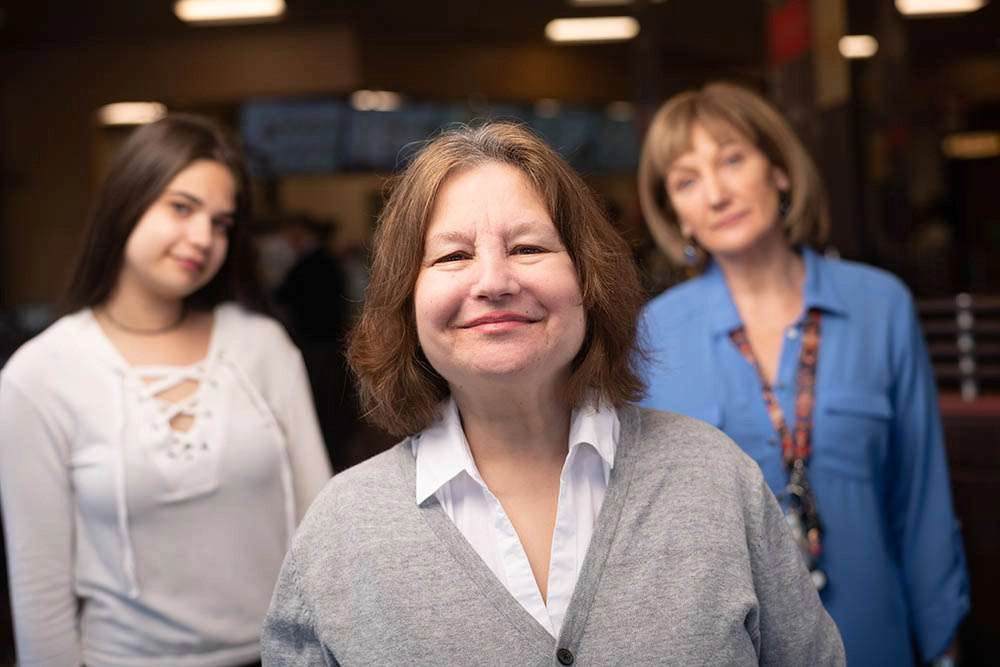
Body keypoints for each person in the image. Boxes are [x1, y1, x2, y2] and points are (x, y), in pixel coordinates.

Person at [261, 122, 844, 665]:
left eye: (528, 248)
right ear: (404, 302)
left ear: (589, 281)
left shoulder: (714, 479)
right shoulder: (342, 529)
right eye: (453, 256)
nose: (493, 282)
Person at [636, 82, 969, 666]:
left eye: (733, 159)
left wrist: (943, 646)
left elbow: (921, 502)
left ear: (780, 171)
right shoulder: (652, 335)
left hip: (874, 635)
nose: (716, 194)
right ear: (677, 216)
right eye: (687, 180)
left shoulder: (880, 306)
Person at [0, 114, 332, 666]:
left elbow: (322, 527)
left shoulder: (261, 346)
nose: (203, 237)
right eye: (181, 207)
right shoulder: (39, 376)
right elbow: (40, 597)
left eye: (222, 223)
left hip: (279, 656)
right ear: (127, 202)